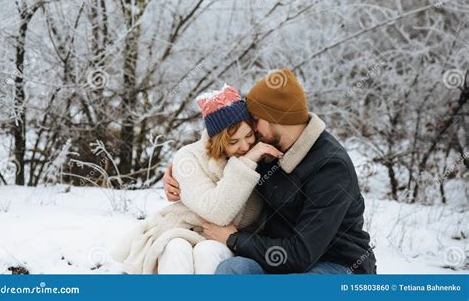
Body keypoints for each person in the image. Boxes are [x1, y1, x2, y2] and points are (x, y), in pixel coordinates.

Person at [163, 68, 377, 274]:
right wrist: (178, 172)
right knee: (232, 270)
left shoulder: (331, 167)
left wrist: (234, 239)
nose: (252, 129)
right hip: (274, 258)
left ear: (277, 119)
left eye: (255, 120)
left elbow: (301, 255)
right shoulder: (267, 147)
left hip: (334, 263)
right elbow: (222, 143)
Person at [111, 85, 283, 274]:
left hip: (231, 239)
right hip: (185, 228)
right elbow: (217, 213)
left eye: (248, 135)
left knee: (207, 251)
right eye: (233, 142)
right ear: (216, 140)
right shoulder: (190, 157)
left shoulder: (263, 153)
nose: (244, 146)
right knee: (174, 248)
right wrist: (247, 163)